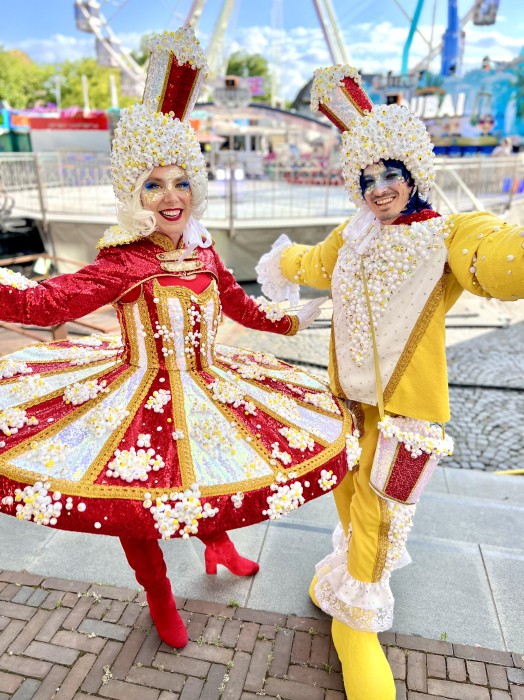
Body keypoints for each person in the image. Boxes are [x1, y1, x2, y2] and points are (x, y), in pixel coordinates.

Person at [0, 31, 354, 650]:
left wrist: (292, 320)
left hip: (207, 385)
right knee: (135, 502)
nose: (171, 197)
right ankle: (159, 595)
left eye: (181, 182)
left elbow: (239, 304)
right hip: (138, 394)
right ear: (133, 194)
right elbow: (44, 303)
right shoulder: (123, 261)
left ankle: (216, 544)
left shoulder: (205, 250)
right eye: (154, 184)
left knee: (208, 472)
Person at [256, 64, 524, 699]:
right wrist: (278, 263)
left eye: (390, 175)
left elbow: (496, 259)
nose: (378, 190)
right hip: (347, 403)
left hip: (406, 414)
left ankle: (358, 621)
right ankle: (346, 576)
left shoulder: (448, 233)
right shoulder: (350, 238)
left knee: (382, 511)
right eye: (367, 179)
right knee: (349, 496)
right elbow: (310, 263)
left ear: (414, 175)